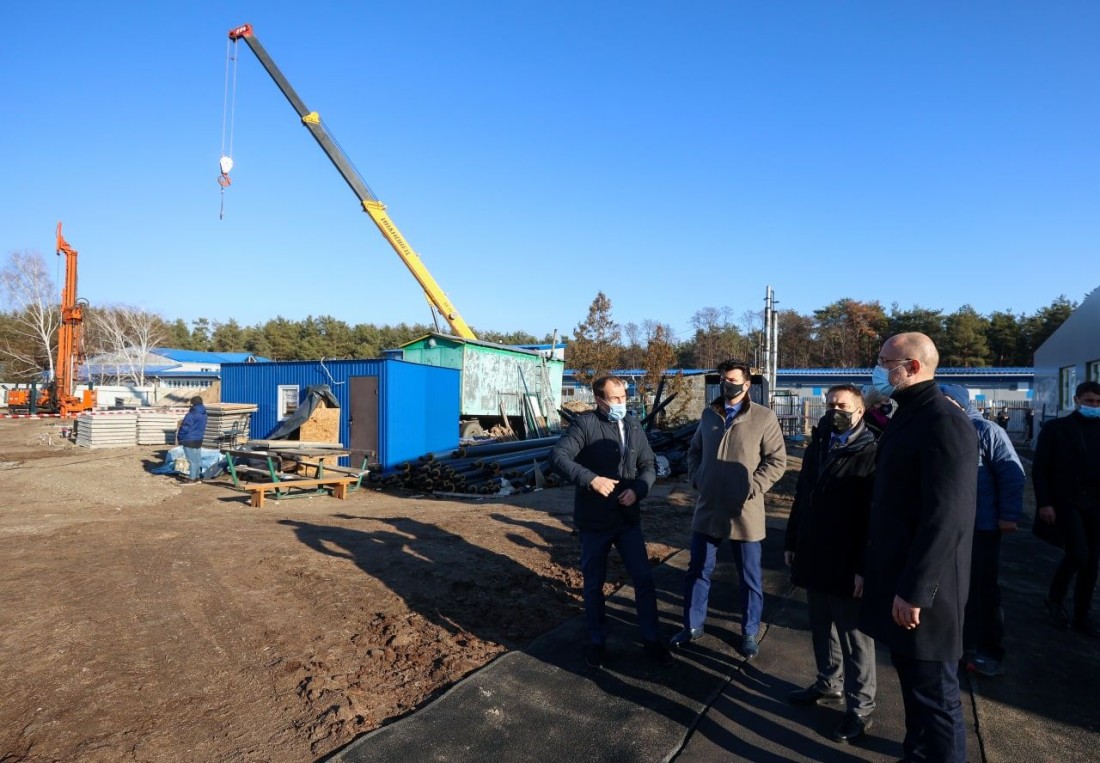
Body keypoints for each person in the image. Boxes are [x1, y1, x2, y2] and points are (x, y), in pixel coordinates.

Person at [859, 333, 977, 763]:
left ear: (911, 367)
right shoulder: (909, 414)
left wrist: (915, 590)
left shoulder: (943, 420)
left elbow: (947, 517)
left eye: (883, 361)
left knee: (936, 698)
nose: (876, 369)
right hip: (900, 579)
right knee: (914, 689)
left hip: (927, 592)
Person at [549, 375, 672, 668]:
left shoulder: (632, 425)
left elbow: (648, 465)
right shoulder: (584, 425)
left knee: (643, 580)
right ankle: (597, 641)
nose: (621, 403)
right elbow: (558, 456)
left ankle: (652, 640)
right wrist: (591, 479)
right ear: (599, 400)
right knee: (594, 584)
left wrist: (639, 489)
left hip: (627, 520)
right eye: (614, 398)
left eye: (623, 397)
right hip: (595, 522)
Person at [672, 359, 786, 659]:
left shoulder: (763, 417)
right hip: (708, 508)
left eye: (733, 380)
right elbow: (694, 450)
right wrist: (697, 478)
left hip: (744, 510)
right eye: (723, 379)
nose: (726, 384)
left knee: (749, 577)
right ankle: (692, 625)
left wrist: (752, 487)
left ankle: (749, 632)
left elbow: (776, 461)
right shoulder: (709, 414)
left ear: (747, 384)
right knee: (698, 570)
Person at [784, 384, 878, 742]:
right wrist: (792, 540)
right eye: (829, 405)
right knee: (821, 627)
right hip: (813, 553)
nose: (834, 411)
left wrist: (864, 567)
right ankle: (828, 682)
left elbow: (874, 517)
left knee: (855, 638)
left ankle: (861, 708)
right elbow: (802, 495)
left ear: (860, 411)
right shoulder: (820, 443)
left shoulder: (871, 451)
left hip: (847, 560)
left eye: (842, 406)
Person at [939, 384, 1025, 677]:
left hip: (982, 526)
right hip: (949, 526)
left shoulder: (987, 431)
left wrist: (1008, 516)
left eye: (948, 401)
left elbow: (1012, 474)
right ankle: (959, 643)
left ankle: (988, 648)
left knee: (982, 588)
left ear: (962, 403)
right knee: (952, 588)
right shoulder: (939, 429)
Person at [1033, 380, 1100, 638]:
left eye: (1098, 402)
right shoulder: (1057, 429)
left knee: (1092, 561)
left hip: (1095, 503)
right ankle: (1055, 599)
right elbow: (1040, 468)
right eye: (1089, 400)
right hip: (1068, 502)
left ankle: (1082, 613)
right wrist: (1045, 502)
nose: (1094, 405)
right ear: (1077, 400)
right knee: (1078, 554)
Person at [176, 396, 208, 484]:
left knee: (191, 460)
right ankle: (197, 477)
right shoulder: (204, 414)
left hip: (189, 439)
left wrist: (180, 437)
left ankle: (192, 478)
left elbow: (184, 428)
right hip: (199, 439)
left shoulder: (191, 415)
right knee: (197, 459)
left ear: (193, 403)